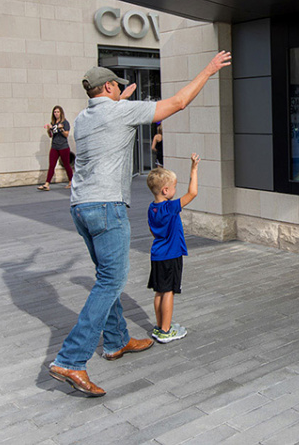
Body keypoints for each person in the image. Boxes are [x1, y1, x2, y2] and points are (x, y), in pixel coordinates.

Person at [48, 50, 231, 397]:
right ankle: (71, 359)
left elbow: (109, 117)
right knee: (110, 281)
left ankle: (115, 341)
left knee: (106, 275)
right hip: (106, 207)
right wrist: (208, 70)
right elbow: (177, 102)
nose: (119, 90)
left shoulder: (82, 118)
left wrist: (121, 101)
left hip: (80, 207)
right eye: (116, 86)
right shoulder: (120, 112)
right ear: (109, 88)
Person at [145, 154, 199, 343]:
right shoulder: (170, 207)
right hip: (171, 255)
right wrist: (194, 168)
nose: (176, 190)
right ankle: (167, 331)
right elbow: (192, 193)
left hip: (157, 254)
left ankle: (160, 326)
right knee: (168, 291)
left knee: (159, 291)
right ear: (166, 190)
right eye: (174, 187)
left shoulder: (152, 208)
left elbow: (153, 232)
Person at [37, 105, 72, 191]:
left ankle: (71, 182)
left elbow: (66, 135)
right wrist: (49, 130)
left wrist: (62, 129)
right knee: (52, 165)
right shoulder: (53, 123)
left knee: (66, 164)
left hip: (63, 147)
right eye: (55, 112)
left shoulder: (65, 123)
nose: (56, 114)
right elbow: (50, 135)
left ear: (61, 113)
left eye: (58, 112)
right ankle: (47, 184)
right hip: (54, 146)